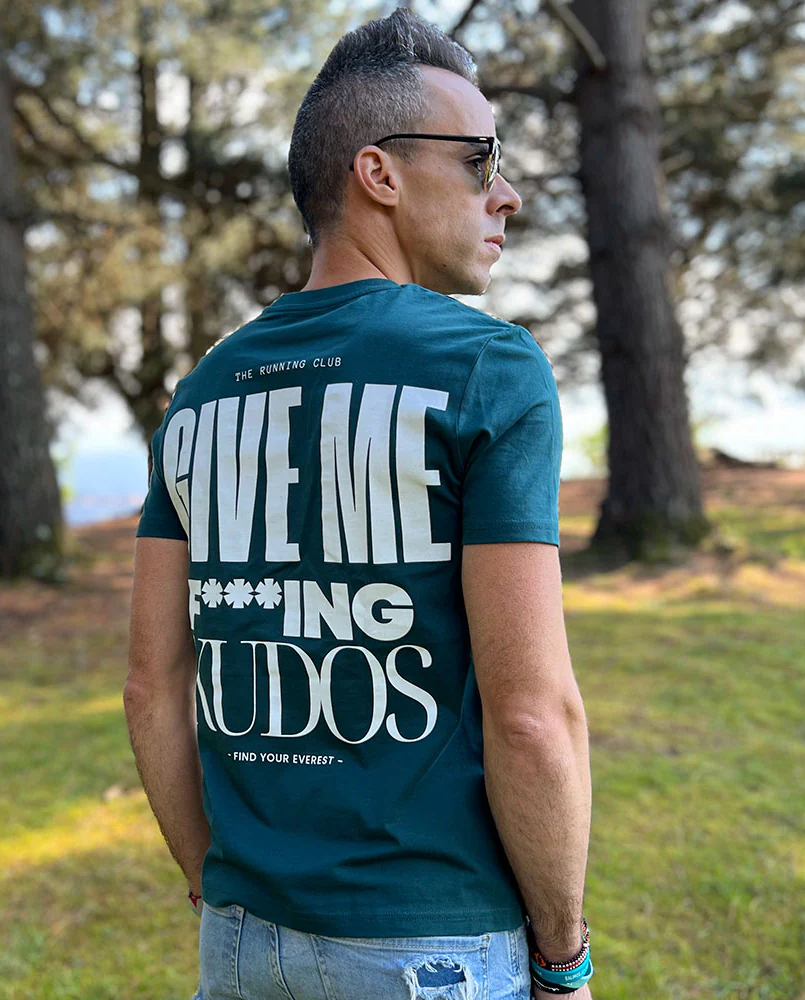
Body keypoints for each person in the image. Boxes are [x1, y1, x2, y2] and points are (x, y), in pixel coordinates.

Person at [124, 7, 593, 999]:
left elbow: (152, 688)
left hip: (240, 939)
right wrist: (563, 956)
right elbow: (530, 715)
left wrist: (217, 893)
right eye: (480, 160)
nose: (506, 194)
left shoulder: (202, 391)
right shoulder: (487, 368)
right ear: (378, 174)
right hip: (430, 943)